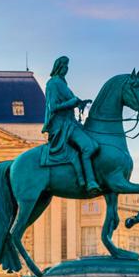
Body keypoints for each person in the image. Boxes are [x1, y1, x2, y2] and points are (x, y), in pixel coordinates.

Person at [41, 56, 100, 194]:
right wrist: (72, 102)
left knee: (92, 141)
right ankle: (89, 182)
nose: (66, 69)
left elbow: (72, 100)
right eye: (64, 66)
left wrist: (81, 102)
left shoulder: (62, 83)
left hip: (70, 121)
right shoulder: (53, 83)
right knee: (88, 146)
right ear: (59, 67)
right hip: (62, 125)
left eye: (67, 66)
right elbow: (54, 106)